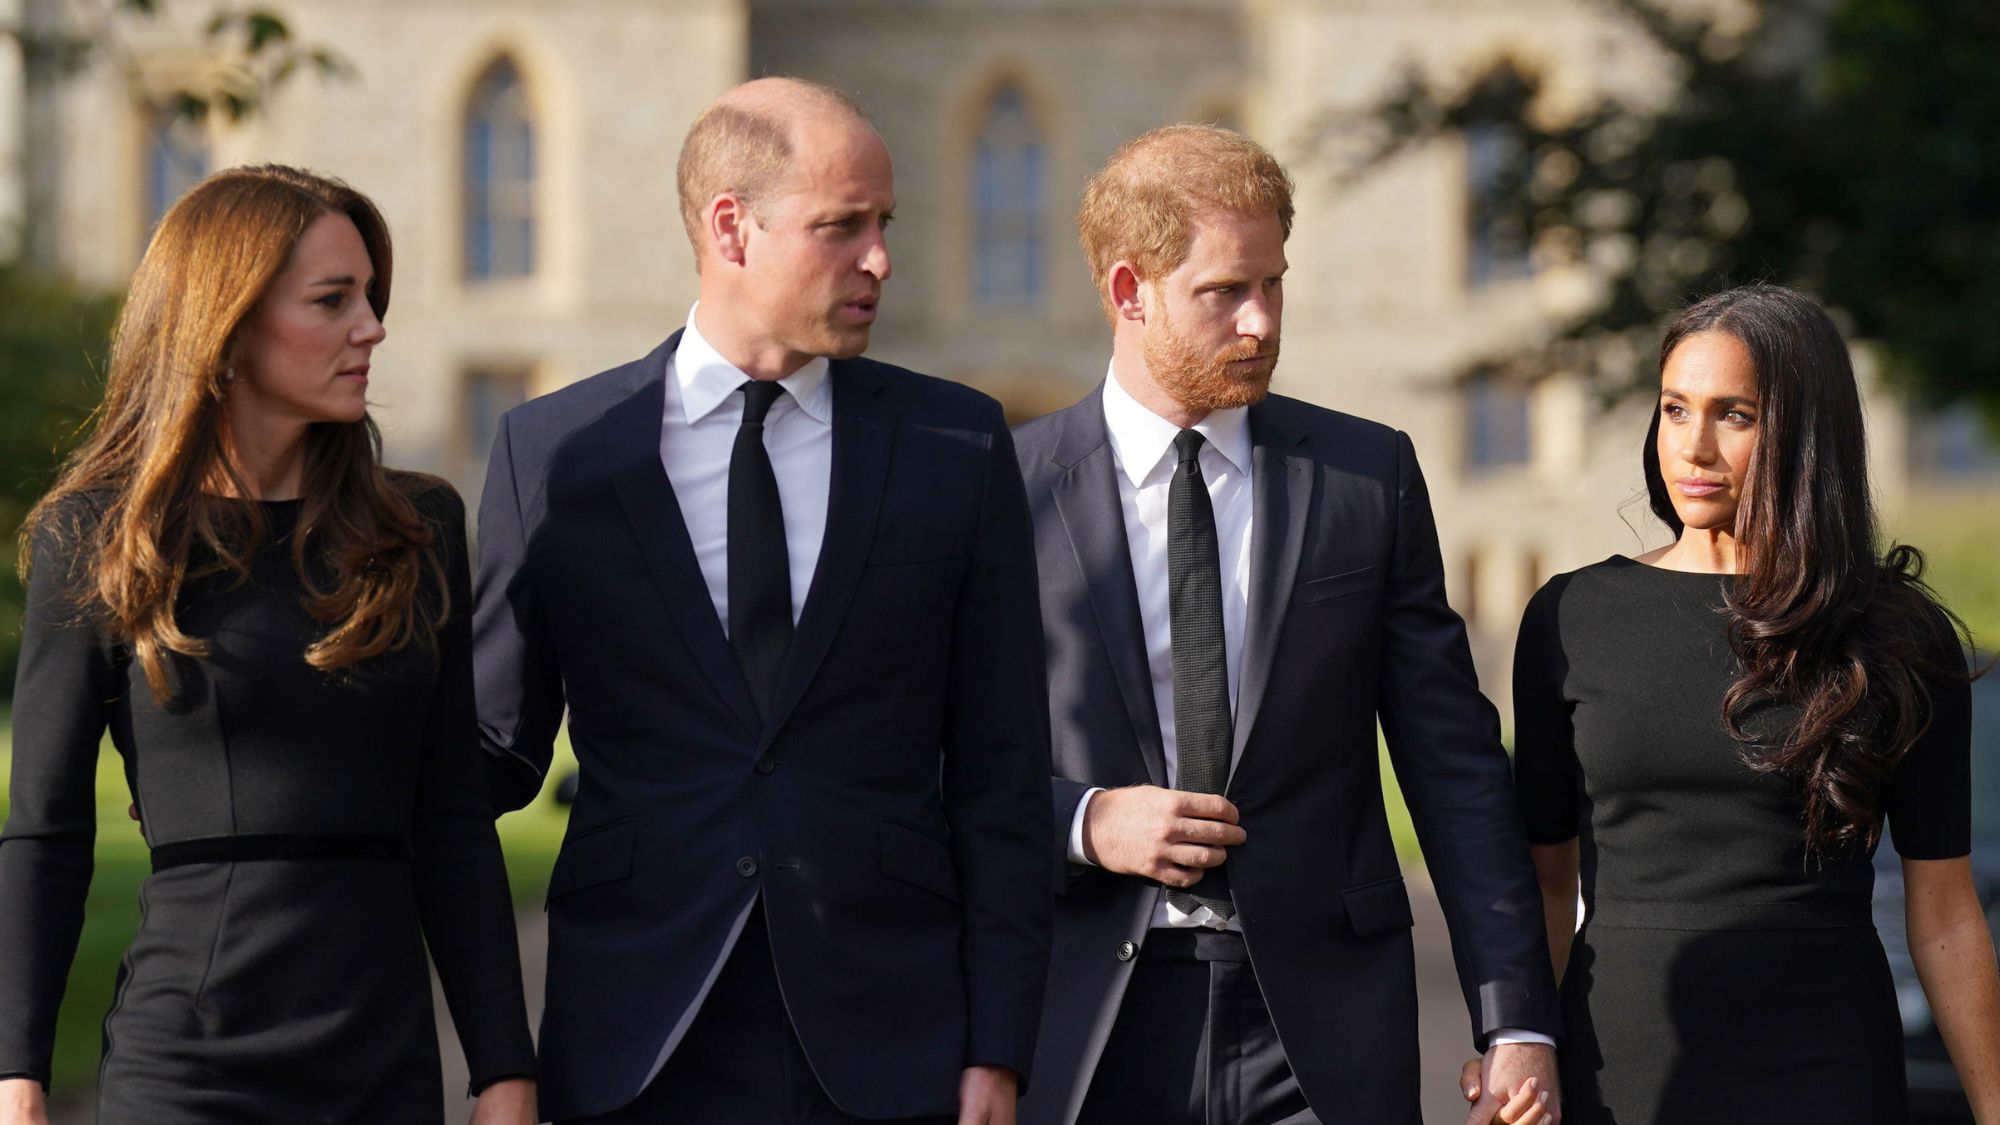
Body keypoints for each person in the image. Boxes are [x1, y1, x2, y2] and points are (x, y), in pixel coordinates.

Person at [471, 78, 1050, 1124]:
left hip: (893, 1036)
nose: (880, 259)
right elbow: (487, 755)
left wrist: (998, 1048)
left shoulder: (958, 446)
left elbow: (1001, 772)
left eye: (884, 223)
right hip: (635, 1039)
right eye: (842, 226)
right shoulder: (554, 452)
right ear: (730, 227)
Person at [1011, 124, 1562, 1125]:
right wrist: (1086, 821)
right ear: (1129, 291)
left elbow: (1451, 760)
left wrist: (1516, 1018)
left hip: (1319, 1030)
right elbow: (923, 762)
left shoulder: (1366, 478)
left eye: (1273, 284)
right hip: (1084, 1019)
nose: (1260, 321)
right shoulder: (1006, 493)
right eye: (1224, 291)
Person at [0, 165, 537, 1124]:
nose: (371, 327)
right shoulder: (101, 537)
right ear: (229, 322)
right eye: (333, 300)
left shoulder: (417, 528)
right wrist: (18, 1080)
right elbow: (46, 830)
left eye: (370, 297)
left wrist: (504, 1070)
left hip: (382, 1064)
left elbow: (453, 818)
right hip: (186, 1071)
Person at [1506, 282, 2000, 1122]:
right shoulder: (1571, 616)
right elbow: (1546, 886)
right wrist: (1519, 1048)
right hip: (1622, 1064)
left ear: (1805, 433)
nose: (1693, 446)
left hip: (1828, 1066)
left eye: (1734, 414)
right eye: (1675, 409)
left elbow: (1945, 911)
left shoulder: (1893, 633)